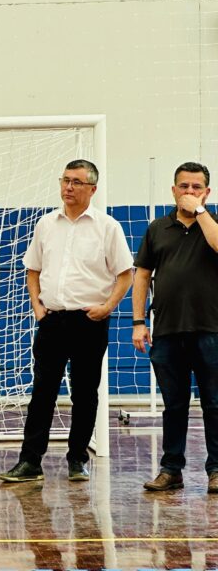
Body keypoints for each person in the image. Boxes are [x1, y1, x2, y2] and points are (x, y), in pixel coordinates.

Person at [0, 159, 133, 483]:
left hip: (90, 321)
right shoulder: (46, 224)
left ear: (92, 189)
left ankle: (77, 460)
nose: (68, 187)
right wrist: (36, 305)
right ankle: (30, 461)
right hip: (52, 321)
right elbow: (32, 269)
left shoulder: (107, 227)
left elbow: (126, 274)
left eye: (76, 182)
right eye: (65, 180)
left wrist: (108, 307)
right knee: (43, 392)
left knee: (85, 393)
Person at [136, 162, 218, 493]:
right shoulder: (158, 228)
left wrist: (199, 211)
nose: (188, 192)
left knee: (214, 403)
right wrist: (139, 321)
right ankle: (171, 470)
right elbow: (142, 274)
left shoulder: (212, 225)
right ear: (173, 190)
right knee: (174, 405)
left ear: (207, 192)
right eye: (183, 186)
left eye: (196, 187)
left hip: (211, 330)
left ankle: (216, 470)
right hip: (168, 331)